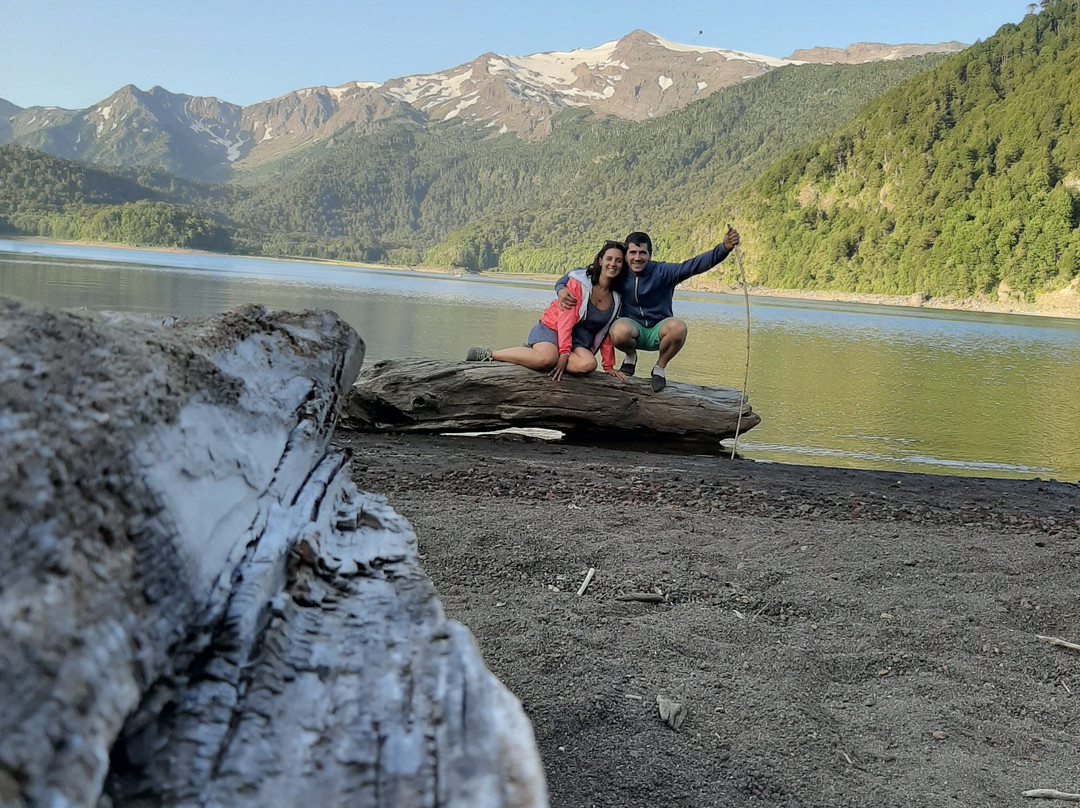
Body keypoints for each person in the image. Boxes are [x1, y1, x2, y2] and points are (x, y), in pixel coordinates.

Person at [556, 228, 740, 391]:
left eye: (642, 253)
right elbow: (582, 274)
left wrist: (723, 248)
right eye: (633, 253)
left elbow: (694, 265)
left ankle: (659, 368)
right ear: (626, 256)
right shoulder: (619, 272)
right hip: (631, 329)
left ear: (650, 254)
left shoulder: (664, 272)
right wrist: (560, 288)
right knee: (617, 330)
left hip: (658, 330)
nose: (637, 258)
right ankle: (630, 357)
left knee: (679, 327)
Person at [466, 241, 629, 382]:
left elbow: (605, 333)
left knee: (588, 364)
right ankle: (489, 354)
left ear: (623, 266)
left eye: (618, 261)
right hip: (553, 329)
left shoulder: (617, 298)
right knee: (547, 359)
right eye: (609, 259)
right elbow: (565, 320)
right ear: (600, 261)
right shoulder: (579, 284)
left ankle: (532, 355)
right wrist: (564, 354)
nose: (613, 264)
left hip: (578, 343)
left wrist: (608, 365)